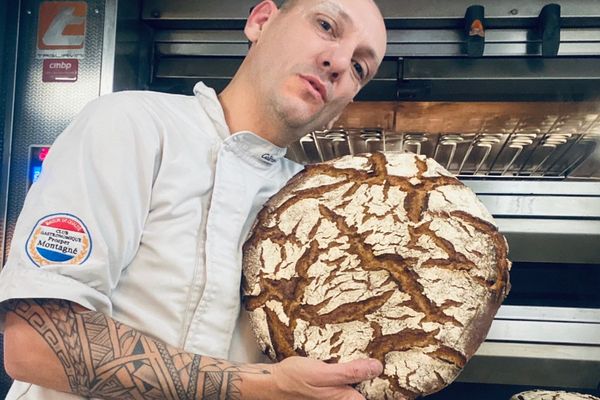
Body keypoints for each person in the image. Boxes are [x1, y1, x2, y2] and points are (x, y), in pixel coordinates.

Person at [0, 0, 389, 398]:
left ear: (343, 107)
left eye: (360, 68)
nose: (340, 62)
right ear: (262, 21)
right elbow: (35, 343)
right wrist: (261, 387)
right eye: (326, 26)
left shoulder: (319, 206)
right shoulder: (131, 124)